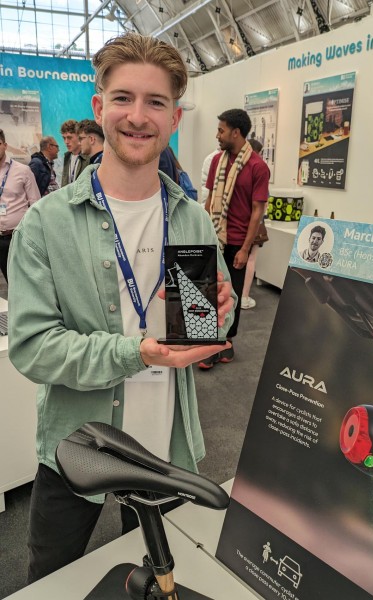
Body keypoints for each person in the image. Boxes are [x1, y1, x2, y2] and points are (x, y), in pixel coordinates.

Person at [8, 32, 234, 584]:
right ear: (99, 106)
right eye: (123, 98)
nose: (138, 116)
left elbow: (207, 324)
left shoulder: (192, 219)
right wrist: (138, 351)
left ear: (174, 118)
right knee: (53, 580)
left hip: (167, 445)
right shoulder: (47, 223)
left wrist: (217, 315)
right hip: (76, 444)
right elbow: (34, 348)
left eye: (156, 102)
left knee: (166, 576)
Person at [199, 108, 270, 368]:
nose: (217, 135)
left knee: (233, 295)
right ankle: (209, 343)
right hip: (214, 238)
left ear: (236, 132)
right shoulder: (217, 161)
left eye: (221, 130)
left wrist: (245, 248)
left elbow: (257, 212)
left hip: (238, 242)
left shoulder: (258, 167)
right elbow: (209, 200)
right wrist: (203, 231)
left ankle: (227, 340)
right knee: (208, 290)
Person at [0, 128, 40, 282]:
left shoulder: (23, 170)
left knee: (25, 281)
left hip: (18, 237)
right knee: (10, 280)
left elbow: (35, 203)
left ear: (5, 145)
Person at [241, 138, 266, 310]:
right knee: (251, 259)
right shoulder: (260, 170)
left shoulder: (238, 169)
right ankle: (244, 297)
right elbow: (261, 204)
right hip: (252, 223)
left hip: (236, 224)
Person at [60, 119, 89, 186]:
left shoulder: (88, 157)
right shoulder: (67, 157)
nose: (66, 142)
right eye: (64, 138)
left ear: (79, 136)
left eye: (69, 137)